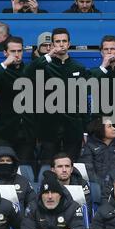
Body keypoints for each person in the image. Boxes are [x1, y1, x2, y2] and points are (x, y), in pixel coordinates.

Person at [24, 28, 89, 164]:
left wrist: (84, 129)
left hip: (72, 127)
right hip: (48, 126)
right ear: (52, 45)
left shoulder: (78, 68)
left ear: (69, 44)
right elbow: (27, 73)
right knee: (47, 167)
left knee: (71, 166)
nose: (61, 44)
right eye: (57, 41)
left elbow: (83, 100)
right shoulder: (44, 65)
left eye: (64, 41)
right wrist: (48, 56)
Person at [0, 37, 36, 168]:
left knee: (25, 169)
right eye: (13, 51)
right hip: (4, 130)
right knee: (3, 167)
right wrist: (4, 64)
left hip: (26, 131)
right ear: (5, 53)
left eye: (19, 51)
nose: (17, 54)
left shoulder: (29, 71)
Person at [20, 170, 84, 229]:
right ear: (41, 195)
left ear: (60, 195)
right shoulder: (32, 207)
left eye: (53, 192)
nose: (50, 196)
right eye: (46, 193)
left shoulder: (73, 208)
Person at [78, 118, 115, 187]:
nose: (114, 128)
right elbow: (88, 170)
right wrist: (100, 185)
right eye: (110, 126)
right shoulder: (90, 147)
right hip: (97, 186)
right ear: (100, 129)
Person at [0, 146, 37, 212]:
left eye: (8, 161)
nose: (5, 163)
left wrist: (27, 220)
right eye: (1, 161)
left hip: (19, 221)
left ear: (14, 162)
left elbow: (33, 202)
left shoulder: (23, 181)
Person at [51, 153, 92, 217]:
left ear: (72, 169)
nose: (64, 170)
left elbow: (86, 211)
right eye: (60, 166)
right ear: (53, 170)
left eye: (67, 166)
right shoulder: (47, 184)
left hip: (77, 221)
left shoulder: (81, 184)